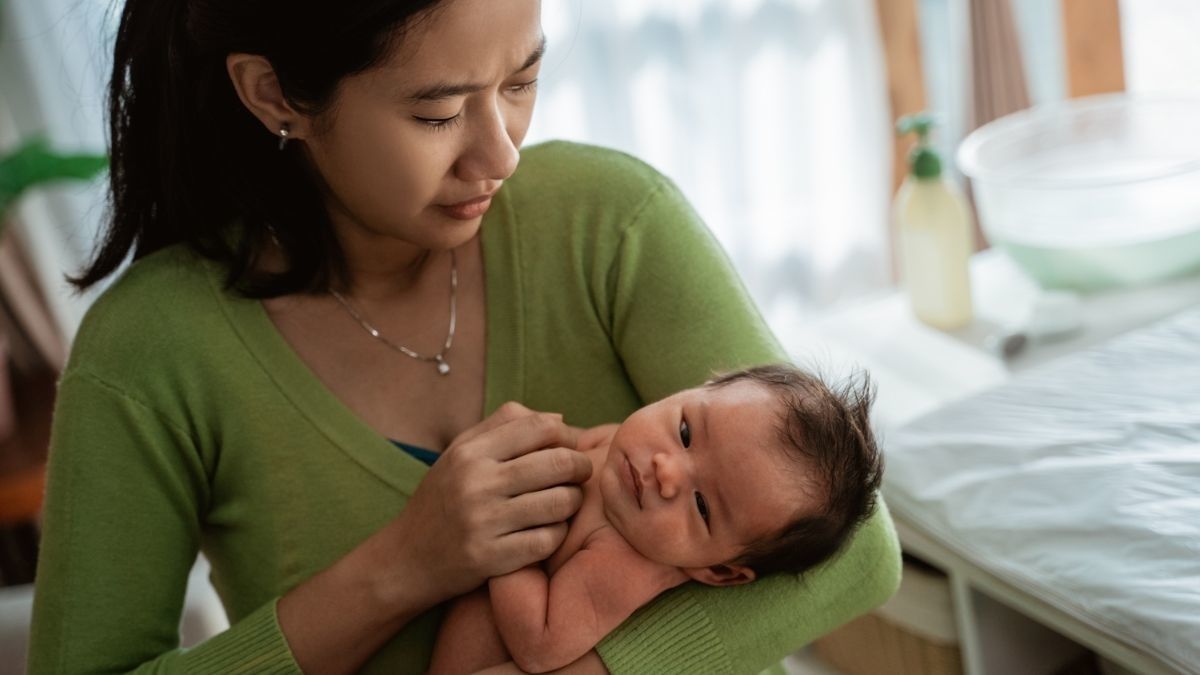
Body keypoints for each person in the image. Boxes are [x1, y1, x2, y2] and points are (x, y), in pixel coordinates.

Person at [28, 0, 901, 673]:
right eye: (439, 112)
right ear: (275, 94)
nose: (502, 155)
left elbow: (852, 551)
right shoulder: (150, 355)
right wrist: (402, 567)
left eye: (521, 81)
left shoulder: (609, 222)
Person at [428, 364, 883, 674]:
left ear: (719, 570)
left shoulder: (624, 561)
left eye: (703, 507)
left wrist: (511, 539)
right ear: (701, 387)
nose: (666, 471)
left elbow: (540, 643)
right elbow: (568, 447)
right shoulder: (622, 447)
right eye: (685, 432)